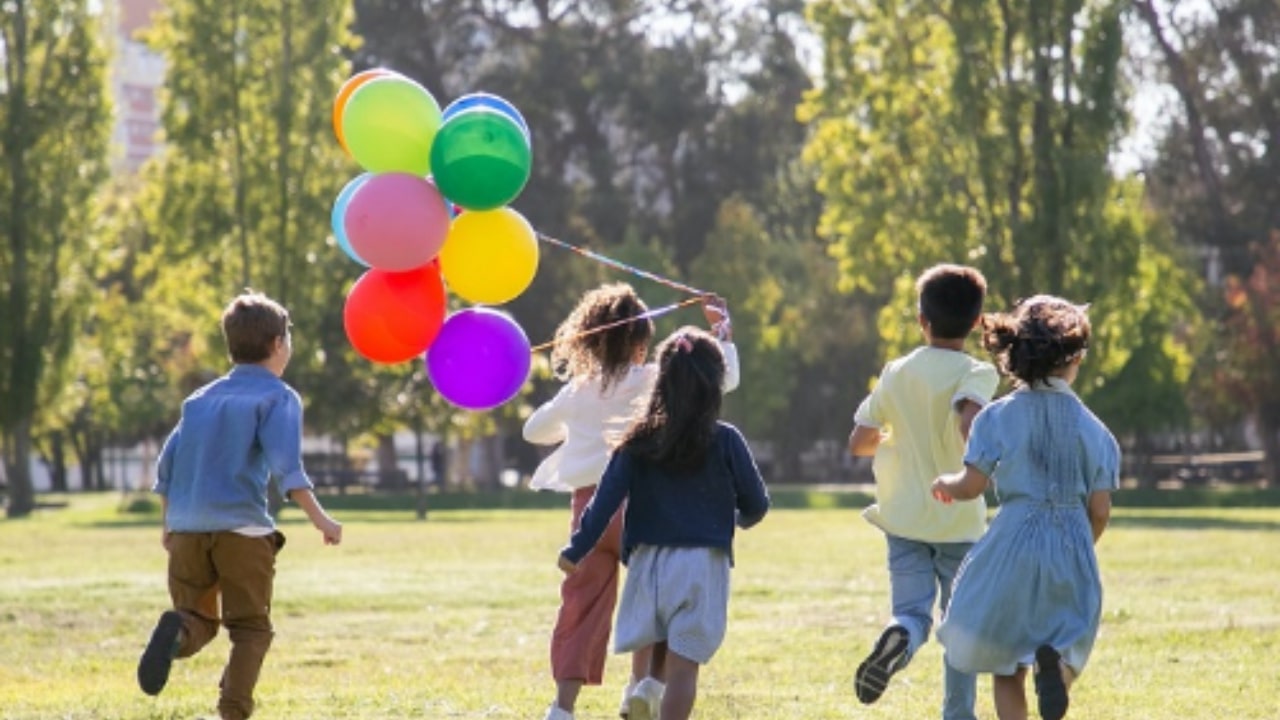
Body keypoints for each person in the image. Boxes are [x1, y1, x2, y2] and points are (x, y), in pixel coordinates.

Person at [524, 283, 738, 720]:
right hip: (642, 506)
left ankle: (562, 708)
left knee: (580, 605)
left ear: (588, 340)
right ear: (642, 343)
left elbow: (533, 430)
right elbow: (722, 380)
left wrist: (579, 429)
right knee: (656, 597)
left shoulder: (577, 390)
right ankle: (642, 686)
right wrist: (723, 335)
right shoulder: (651, 379)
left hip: (588, 512)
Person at [137, 291, 343, 720]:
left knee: (197, 618)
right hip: (242, 531)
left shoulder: (199, 401)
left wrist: (168, 524)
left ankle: (178, 633)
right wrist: (321, 518)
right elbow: (287, 468)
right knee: (250, 629)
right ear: (277, 344)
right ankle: (233, 712)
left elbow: (166, 466)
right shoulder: (278, 397)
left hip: (186, 529)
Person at [557, 327, 770, 720]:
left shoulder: (637, 441)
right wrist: (739, 518)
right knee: (685, 669)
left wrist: (577, 548)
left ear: (662, 381)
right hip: (702, 565)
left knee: (657, 635)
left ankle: (646, 688)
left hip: (647, 564)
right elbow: (757, 503)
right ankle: (656, 694)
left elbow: (604, 503)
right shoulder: (726, 439)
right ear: (716, 383)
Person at [932, 295, 1118, 720]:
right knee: (1070, 641)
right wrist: (1080, 544)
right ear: (1074, 357)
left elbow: (972, 485)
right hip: (1071, 543)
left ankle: (1036, 679)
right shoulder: (1096, 431)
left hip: (1011, 545)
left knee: (1005, 662)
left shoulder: (996, 418)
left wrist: (947, 483)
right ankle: (1056, 673)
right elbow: (1101, 508)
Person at [847, 264, 999, 719]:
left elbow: (859, 441)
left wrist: (893, 437)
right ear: (976, 321)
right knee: (960, 625)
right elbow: (969, 420)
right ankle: (958, 712)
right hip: (958, 520)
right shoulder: (979, 372)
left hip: (903, 517)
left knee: (912, 611)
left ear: (922, 320)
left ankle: (901, 636)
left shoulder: (897, 371)